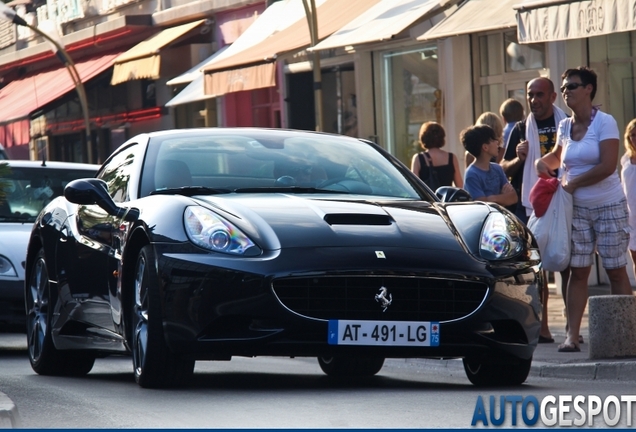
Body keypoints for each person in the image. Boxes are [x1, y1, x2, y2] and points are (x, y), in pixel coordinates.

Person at [536, 66, 633, 353]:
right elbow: (557, 156)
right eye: (564, 88)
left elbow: (606, 165)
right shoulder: (565, 126)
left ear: (589, 89)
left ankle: (624, 334)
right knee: (578, 271)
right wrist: (542, 164)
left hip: (608, 204)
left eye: (572, 86)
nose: (567, 92)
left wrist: (572, 183)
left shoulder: (605, 122)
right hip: (576, 209)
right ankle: (572, 336)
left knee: (616, 269)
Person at [501, 77, 568, 344]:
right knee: (536, 267)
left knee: (568, 264)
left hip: (563, 199)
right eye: (530, 95)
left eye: (540, 95)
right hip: (529, 206)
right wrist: (519, 157)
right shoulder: (520, 129)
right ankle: (542, 327)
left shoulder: (566, 124)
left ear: (553, 97)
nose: (534, 100)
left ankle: (570, 327)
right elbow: (503, 168)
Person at [461, 124, 517, 207]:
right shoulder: (472, 174)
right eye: (493, 140)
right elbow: (483, 204)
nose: (497, 142)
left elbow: (514, 197)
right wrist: (502, 196)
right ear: (485, 147)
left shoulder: (497, 168)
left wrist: (492, 198)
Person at [410, 121, 463, 190]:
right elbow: (460, 186)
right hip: (446, 200)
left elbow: (413, 186)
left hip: (428, 199)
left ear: (423, 138)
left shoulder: (418, 158)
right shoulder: (451, 157)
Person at [621, 119, 636, 277]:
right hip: (631, 217)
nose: (635, 139)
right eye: (632, 135)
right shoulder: (626, 159)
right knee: (635, 259)